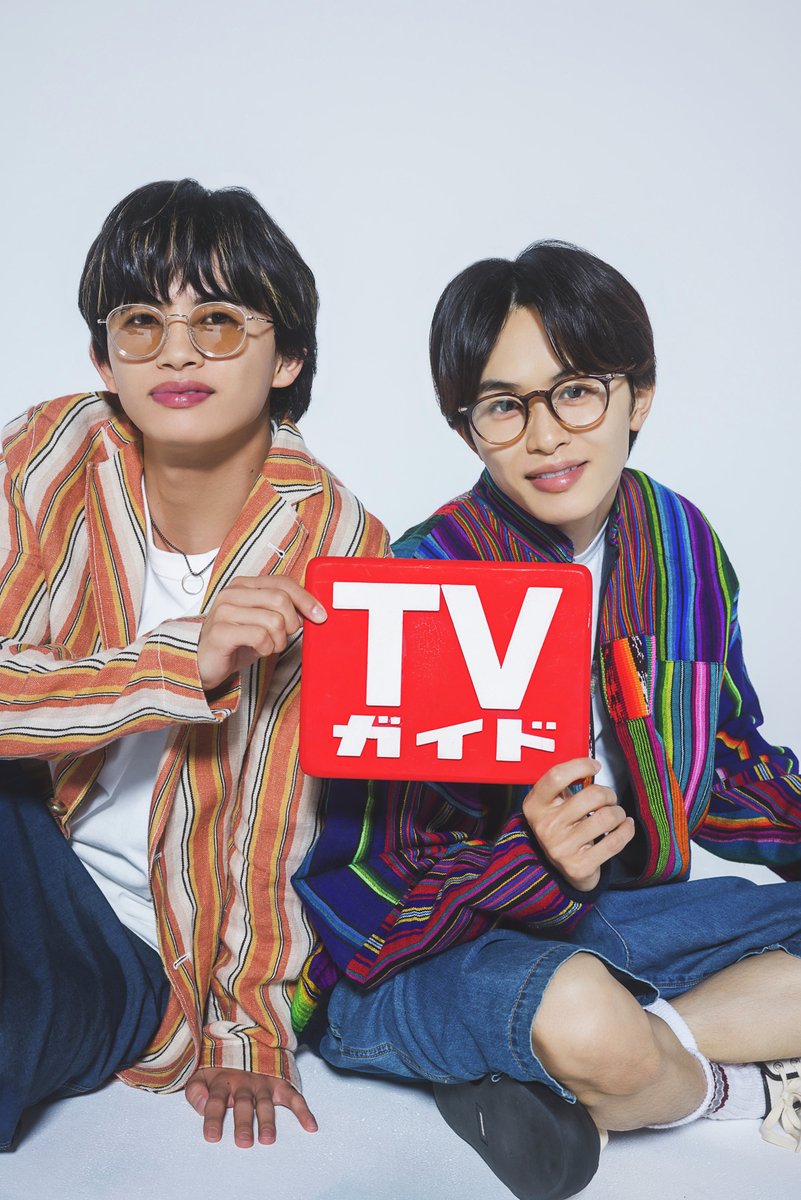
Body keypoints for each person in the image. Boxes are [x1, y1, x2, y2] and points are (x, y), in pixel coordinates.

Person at [294, 241, 801, 1200]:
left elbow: (728, 760)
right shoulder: (420, 582)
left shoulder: (681, 543)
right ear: (467, 427)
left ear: (636, 396)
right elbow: (363, 883)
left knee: (609, 1015)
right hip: (429, 957)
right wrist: (530, 856)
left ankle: (610, 1080)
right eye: (504, 406)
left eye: (575, 392)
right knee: (585, 1017)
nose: (546, 436)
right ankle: (729, 1085)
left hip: (618, 919)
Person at [0, 178, 388, 1151]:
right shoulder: (48, 455)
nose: (176, 351)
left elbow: (287, 818)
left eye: (217, 321)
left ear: (287, 356)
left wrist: (249, 1026)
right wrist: (181, 660)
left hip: (136, 942)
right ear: (105, 357)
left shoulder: (339, 543)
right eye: (142, 322)